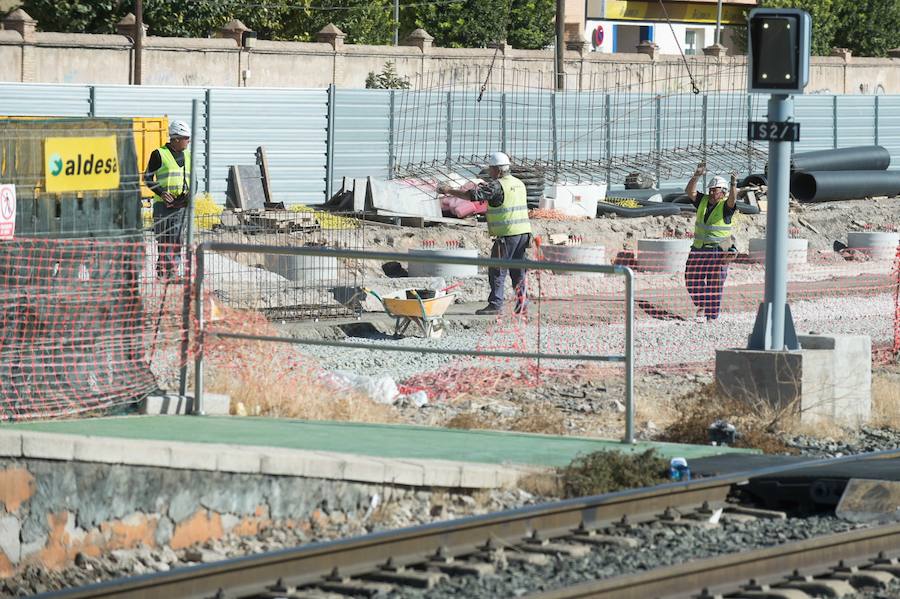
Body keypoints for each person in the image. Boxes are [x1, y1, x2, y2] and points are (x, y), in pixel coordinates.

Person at [438, 152, 531, 316]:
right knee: (518, 270)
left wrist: (448, 190)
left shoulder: (497, 185)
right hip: (523, 233)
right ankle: (522, 304)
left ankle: (495, 304)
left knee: (497, 270)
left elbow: (471, 196)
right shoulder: (519, 184)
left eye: (491, 169)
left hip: (507, 234)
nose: (489, 172)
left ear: (498, 170)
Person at [684, 162, 738, 321]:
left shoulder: (727, 206)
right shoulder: (702, 200)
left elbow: (733, 200)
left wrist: (734, 184)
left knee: (715, 283)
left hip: (718, 251)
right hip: (698, 249)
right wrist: (697, 174)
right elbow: (689, 191)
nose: (713, 192)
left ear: (724, 192)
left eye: (716, 190)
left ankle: (712, 317)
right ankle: (703, 304)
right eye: (711, 189)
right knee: (691, 278)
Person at [145, 120, 191, 280]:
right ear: (176, 138)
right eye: (186, 138)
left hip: (181, 204)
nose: (188, 141)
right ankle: (164, 271)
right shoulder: (159, 154)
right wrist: (162, 192)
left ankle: (170, 272)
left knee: (177, 239)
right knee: (165, 239)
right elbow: (148, 178)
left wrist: (190, 194)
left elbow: (193, 178)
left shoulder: (188, 155)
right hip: (163, 205)